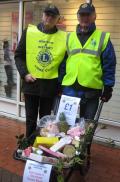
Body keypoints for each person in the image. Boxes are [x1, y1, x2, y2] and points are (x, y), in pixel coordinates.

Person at [61, 3, 116, 155]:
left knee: (87, 125)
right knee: (66, 124)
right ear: (78, 17)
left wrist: (108, 87)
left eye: (88, 15)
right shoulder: (70, 37)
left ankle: (83, 153)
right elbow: (63, 63)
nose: (85, 18)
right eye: (82, 15)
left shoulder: (103, 37)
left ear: (94, 16)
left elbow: (109, 64)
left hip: (91, 89)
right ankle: (66, 152)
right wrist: (60, 82)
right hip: (70, 88)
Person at [15, 4, 67, 138]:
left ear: (58, 19)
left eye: (53, 16)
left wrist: (61, 85)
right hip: (31, 84)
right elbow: (19, 55)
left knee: (46, 121)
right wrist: (24, 74)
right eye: (47, 14)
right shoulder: (29, 32)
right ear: (43, 15)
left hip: (50, 86)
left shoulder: (63, 37)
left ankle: (41, 147)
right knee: (31, 119)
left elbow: (64, 63)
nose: (49, 18)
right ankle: (29, 145)